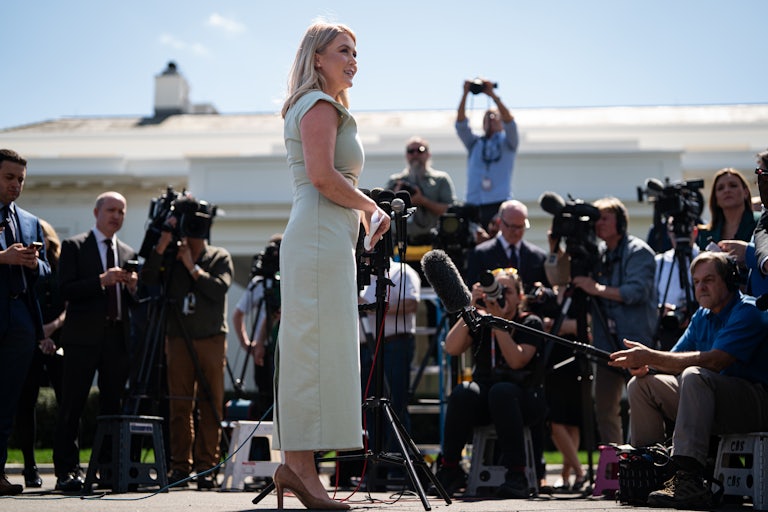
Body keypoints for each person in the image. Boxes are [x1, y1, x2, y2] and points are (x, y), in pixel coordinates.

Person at [272, 20, 390, 510]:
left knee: (315, 352)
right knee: (313, 353)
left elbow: (327, 180)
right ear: (317, 58)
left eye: (356, 51)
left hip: (325, 236)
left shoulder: (327, 106)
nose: (353, 58)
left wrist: (359, 214)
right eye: (344, 49)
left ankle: (298, 468)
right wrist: (371, 207)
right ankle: (301, 470)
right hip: (318, 236)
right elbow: (322, 177)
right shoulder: (318, 105)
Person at [609, 251, 768, 509]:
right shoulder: (701, 316)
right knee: (642, 385)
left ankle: (688, 479)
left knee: (693, 375)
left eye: (709, 280)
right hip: (709, 400)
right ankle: (649, 471)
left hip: (755, 404)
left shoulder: (749, 311)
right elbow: (672, 362)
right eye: (696, 282)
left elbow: (716, 362)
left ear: (729, 281)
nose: (701, 287)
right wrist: (645, 366)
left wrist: (650, 355)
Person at [140, 196, 233, 490]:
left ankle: (206, 466)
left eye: (197, 228)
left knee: (211, 405)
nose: (192, 233)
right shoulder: (170, 257)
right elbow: (148, 279)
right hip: (178, 339)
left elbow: (218, 290)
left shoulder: (219, 256)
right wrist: (163, 246)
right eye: (188, 227)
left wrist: (192, 267)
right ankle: (180, 466)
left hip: (211, 339)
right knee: (180, 406)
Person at [434, 268, 547, 499]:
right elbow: (451, 348)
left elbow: (516, 361)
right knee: (463, 392)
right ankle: (450, 468)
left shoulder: (531, 322)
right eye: (496, 290)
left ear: (519, 297)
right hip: (487, 397)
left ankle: (517, 475)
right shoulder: (481, 319)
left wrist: (498, 323)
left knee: (502, 392)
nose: (500, 295)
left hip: (523, 399)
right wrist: (469, 308)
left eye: (507, 290)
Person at [52, 191, 137, 492]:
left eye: (122, 211)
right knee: (72, 404)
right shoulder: (75, 246)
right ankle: (66, 470)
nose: (116, 215)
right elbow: (65, 290)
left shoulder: (128, 252)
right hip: (82, 338)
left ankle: (107, 469)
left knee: (112, 406)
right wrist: (102, 280)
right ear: (96, 212)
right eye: (111, 210)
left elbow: (136, 304)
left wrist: (133, 287)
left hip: (116, 338)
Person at [571, 197, 656, 444]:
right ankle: (614, 462)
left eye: (604, 218)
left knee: (641, 402)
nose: (598, 224)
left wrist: (595, 287)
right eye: (595, 219)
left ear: (620, 221)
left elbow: (634, 292)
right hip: (604, 346)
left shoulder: (638, 252)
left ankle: (643, 458)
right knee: (605, 407)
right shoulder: (598, 254)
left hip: (634, 343)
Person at [0, 149, 50, 496]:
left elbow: (47, 270)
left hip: (20, 320)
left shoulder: (31, 222)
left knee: (6, 402)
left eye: (20, 179)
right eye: (9, 178)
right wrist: (2, 257)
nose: (16, 185)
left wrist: (34, 264)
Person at [14, 218, 65, 489]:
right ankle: (30, 465)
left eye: (41, 237)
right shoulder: (23, 268)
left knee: (66, 403)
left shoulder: (60, 266)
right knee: (25, 405)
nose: (38, 241)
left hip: (58, 342)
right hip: (31, 342)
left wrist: (52, 330)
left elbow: (69, 305)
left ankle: (65, 466)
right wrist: (38, 335)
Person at [455, 79, 519, 228]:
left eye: (494, 117)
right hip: (473, 204)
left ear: (501, 122)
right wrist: (465, 93)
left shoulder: (508, 142)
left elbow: (510, 122)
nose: (490, 120)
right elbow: (460, 125)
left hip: (498, 204)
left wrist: (492, 95)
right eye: (486, 118)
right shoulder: (475, 143)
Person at [232, 234, 282, 421]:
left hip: (284, 347)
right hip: (264, 351)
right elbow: (237, 315)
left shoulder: (291, 279)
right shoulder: (258, 284)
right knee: (265, 397)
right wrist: (248, 345)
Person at [465, 200, 549, 292]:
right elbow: (471, 292)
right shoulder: (480, 254)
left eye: (520, 227)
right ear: (499, 222)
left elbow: (550, 293)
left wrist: (542, 293)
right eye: (512, 227)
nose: (517, 232)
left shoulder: (538, 257)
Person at [386, 137, 456, 246]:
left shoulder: (441, 179)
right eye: (411, 151)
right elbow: (385, 211)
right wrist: (397, 198)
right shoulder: (395, 181)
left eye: (420, 150)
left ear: (428, 154)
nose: (415, 154)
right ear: (406, 155)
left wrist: (423, 201)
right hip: (401, 242)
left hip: (432, 241)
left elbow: (450, 211)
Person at [653, 216, 699, 351]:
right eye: (674, 230)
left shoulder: (704, 258)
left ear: (695, 231)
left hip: (698, 327)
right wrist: (660, 309)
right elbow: (649, 299)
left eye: (685, 229)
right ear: (668, 233)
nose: (679, 235)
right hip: (668, 330)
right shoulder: (659, 262)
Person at [695, 167, 759, 250]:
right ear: (715, 198)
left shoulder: (761, 223)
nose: (727, 190)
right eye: (720, 188)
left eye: (733, 185)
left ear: (745, 192)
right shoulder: (706, 233)